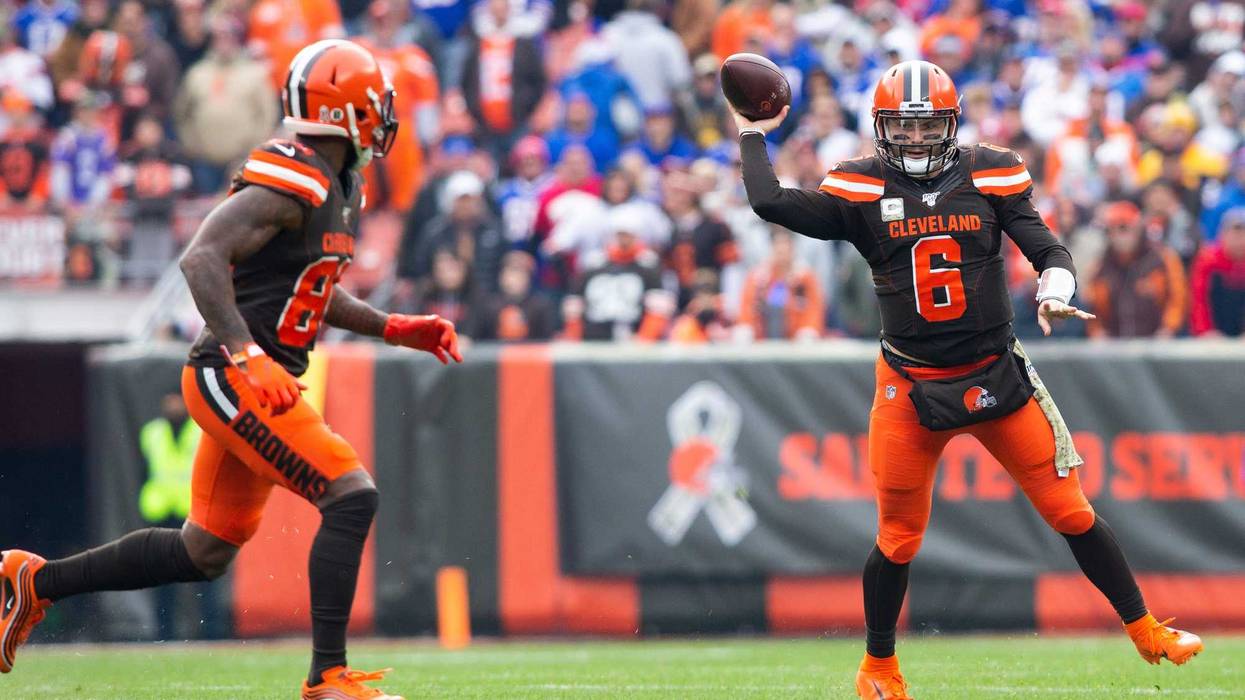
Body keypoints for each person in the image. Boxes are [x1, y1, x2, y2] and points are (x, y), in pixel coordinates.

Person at [0, 40, 461, 700]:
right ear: (343, 112)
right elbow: (201, 258)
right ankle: (327, 677)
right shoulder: (295, 175)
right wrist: (247, 354)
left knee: (205, 550)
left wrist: (391, 327)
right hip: (232, 372)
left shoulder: (340, 183)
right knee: (350, 494)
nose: (384, 118)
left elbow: (310, 289)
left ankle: (33, 580)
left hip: (256, 372)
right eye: (374, 106)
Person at [734, 59, 1202, 700]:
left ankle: (1146, 629)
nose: (916, 138)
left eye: (929, 126)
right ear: (881, 127)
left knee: (1071, 511)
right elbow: (769, 201)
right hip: (911, 384)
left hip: (995, 374)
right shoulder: (859, 186)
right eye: (904, 126)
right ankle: (878, 667)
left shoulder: (989, 171)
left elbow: (1048, 248)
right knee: (898, 539)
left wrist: (1055, 287)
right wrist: (752, 132)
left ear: (951, 125)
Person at [1085, 201, 1187, 339]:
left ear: (1138, 229)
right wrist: (1097, 332)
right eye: (1115, 229)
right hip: (1115, 344)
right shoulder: (1100, 268)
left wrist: (1168, 328)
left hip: (1158, 342)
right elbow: (1093, 308)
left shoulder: (1162, 259)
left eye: (1125, 227)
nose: (1122, 234)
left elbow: (1178, 298)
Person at [1189, 207, 1245, 338]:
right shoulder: (1208, 260)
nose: (1240, 241)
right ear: (1222, 235)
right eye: (1235, 235)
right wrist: (1205, 331)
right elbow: (1198, 299)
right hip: (1213, 334)